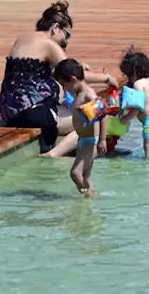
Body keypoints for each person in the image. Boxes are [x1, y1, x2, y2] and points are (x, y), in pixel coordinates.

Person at [0, 2, 116, 153]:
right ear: (56, 28)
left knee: (72, 109)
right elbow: (76, 75)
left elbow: (35, 73)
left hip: (9, 111)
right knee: (92, 116)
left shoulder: (22, 39)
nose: (65, 42)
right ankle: (54, 154)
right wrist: (106, 78)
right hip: (32, 113)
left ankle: (64, 146)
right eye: (66, 36)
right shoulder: (49, 44)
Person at [54, 59, 103, 197]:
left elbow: (103, 115)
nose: (64, 89)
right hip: (83, 140)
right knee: (85, 176)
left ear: (74, 80)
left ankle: (91, 196)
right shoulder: (78, 94)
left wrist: (102, 140)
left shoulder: (89, 95)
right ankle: (87, 203)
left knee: (75, 173)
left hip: (90, 141)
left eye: (64, 85)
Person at [119, 49, 149, 160]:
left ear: (133, 71)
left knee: (148, 147)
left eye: (127, 75)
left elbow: (138, 107)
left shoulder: (137, 84)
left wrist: (125, 118)